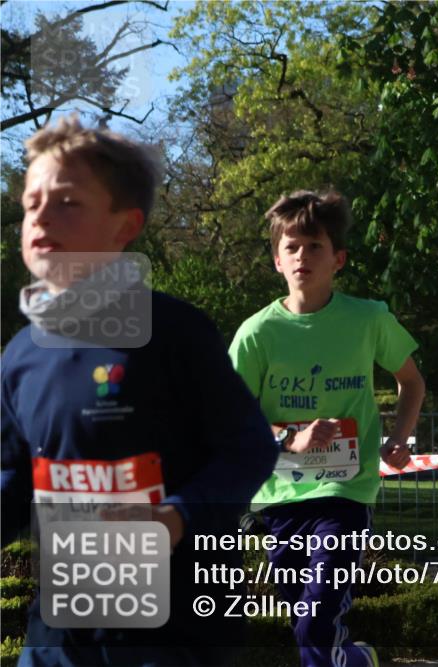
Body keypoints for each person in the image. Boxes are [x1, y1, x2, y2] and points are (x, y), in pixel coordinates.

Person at [1, 115, 278, 665]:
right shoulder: (20, 354)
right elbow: (13, 477)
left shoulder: (176, 331)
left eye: (67, 202)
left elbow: (249, 449)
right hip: (61, 636)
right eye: (31, 204)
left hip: (177, 635)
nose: (41, 217)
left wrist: (175, 516)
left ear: (125, 225)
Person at [229, 190, 425, 667]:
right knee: (305, 625)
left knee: (316, 623)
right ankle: (357, 659)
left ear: (338, 259)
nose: (303, 256)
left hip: (346, 492)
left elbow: (412, 382)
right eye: (292, 247)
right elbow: (232, 418)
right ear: (277, 261)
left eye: (314, 246)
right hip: (281, 497)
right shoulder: (256, 333)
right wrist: (289, 440)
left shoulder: (368, 318)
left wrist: (399, 439)